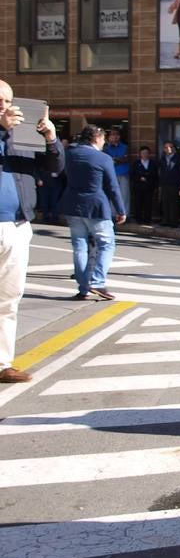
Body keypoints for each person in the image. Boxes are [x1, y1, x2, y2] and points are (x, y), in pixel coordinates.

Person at [0, 82, 62, 382]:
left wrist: (50, 137)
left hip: (17, 225)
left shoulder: (23, 134)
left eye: (7, 100)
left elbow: (54, 167)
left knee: (8, 297)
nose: (3, 105)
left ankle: (2, 363)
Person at [60, 125, 127, 302]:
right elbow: (113, 187)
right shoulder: (103, 158)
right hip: (96, 205)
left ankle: (83, 288)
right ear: (96, 138)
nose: (104, 142)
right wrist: (121, 210)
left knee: (79, 246)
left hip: (73, 204)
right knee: (106, 244)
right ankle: (97, 281)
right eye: (103, 139)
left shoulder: (69, 153)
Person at [103, 128, 130, 217]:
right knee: (112, 194)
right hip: (112, 173)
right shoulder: (106, 148)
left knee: (124, 194)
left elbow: (125, 159)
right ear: (109, 137)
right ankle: (113, 214)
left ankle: (125, 214)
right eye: (112, 135)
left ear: (119, 136)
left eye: (116, 134)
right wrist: (118, 159)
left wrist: (114, 159)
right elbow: (107, 159)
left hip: (123, 172)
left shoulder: (125, 147)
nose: (114, 136)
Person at [130, 146, 158, 225]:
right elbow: (132, 175)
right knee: (138, 204)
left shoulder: (153, 163)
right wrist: (139, 178)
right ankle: (138, 219)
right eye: (143, 153)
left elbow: (155, 175)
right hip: (138, 187)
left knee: (148, 204)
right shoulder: (136, 163)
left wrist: (155, 186)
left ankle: (147, 220)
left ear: (149, 154)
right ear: (140, 154)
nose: (144, 154)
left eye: (146, 153)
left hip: (149, 187)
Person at [159, 141, 180, 228]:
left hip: (174, 183)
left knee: (174, 202)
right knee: (165, 202)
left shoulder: (178, 158)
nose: (168, 149)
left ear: (173, 148)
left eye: (170, 147)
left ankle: (174, 221)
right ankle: (166, 220)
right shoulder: (162, 157)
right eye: (166, 147)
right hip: (165, 183)